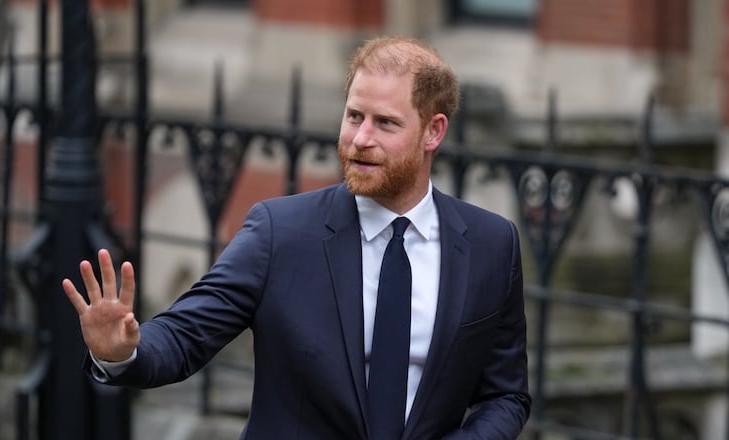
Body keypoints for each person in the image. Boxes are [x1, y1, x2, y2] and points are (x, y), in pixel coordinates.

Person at [64, 35, 530, 439]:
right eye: (353, 116)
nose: (359, 139)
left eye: (385, 123)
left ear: (433, 132)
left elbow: (506, 394)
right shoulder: (279, 232)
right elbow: (186, 334)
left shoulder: (492, 245)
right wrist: (125, 351)